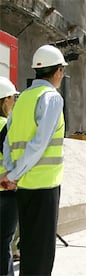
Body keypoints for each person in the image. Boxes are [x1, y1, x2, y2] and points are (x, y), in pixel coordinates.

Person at [0, 44, 67, 275]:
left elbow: (8, 141)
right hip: (44, 187)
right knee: (42, 255)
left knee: (28, 248)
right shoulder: (52, 98)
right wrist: (14, 174)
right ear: (58, 71)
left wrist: (11, 172)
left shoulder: (22, 99)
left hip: (24, 187)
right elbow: (39, 144)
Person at [0, 76, 19, 276]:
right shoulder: (6, 126)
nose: (14, 102)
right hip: (5, 192)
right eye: (13, 98)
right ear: (5, 100)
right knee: (4, 242)